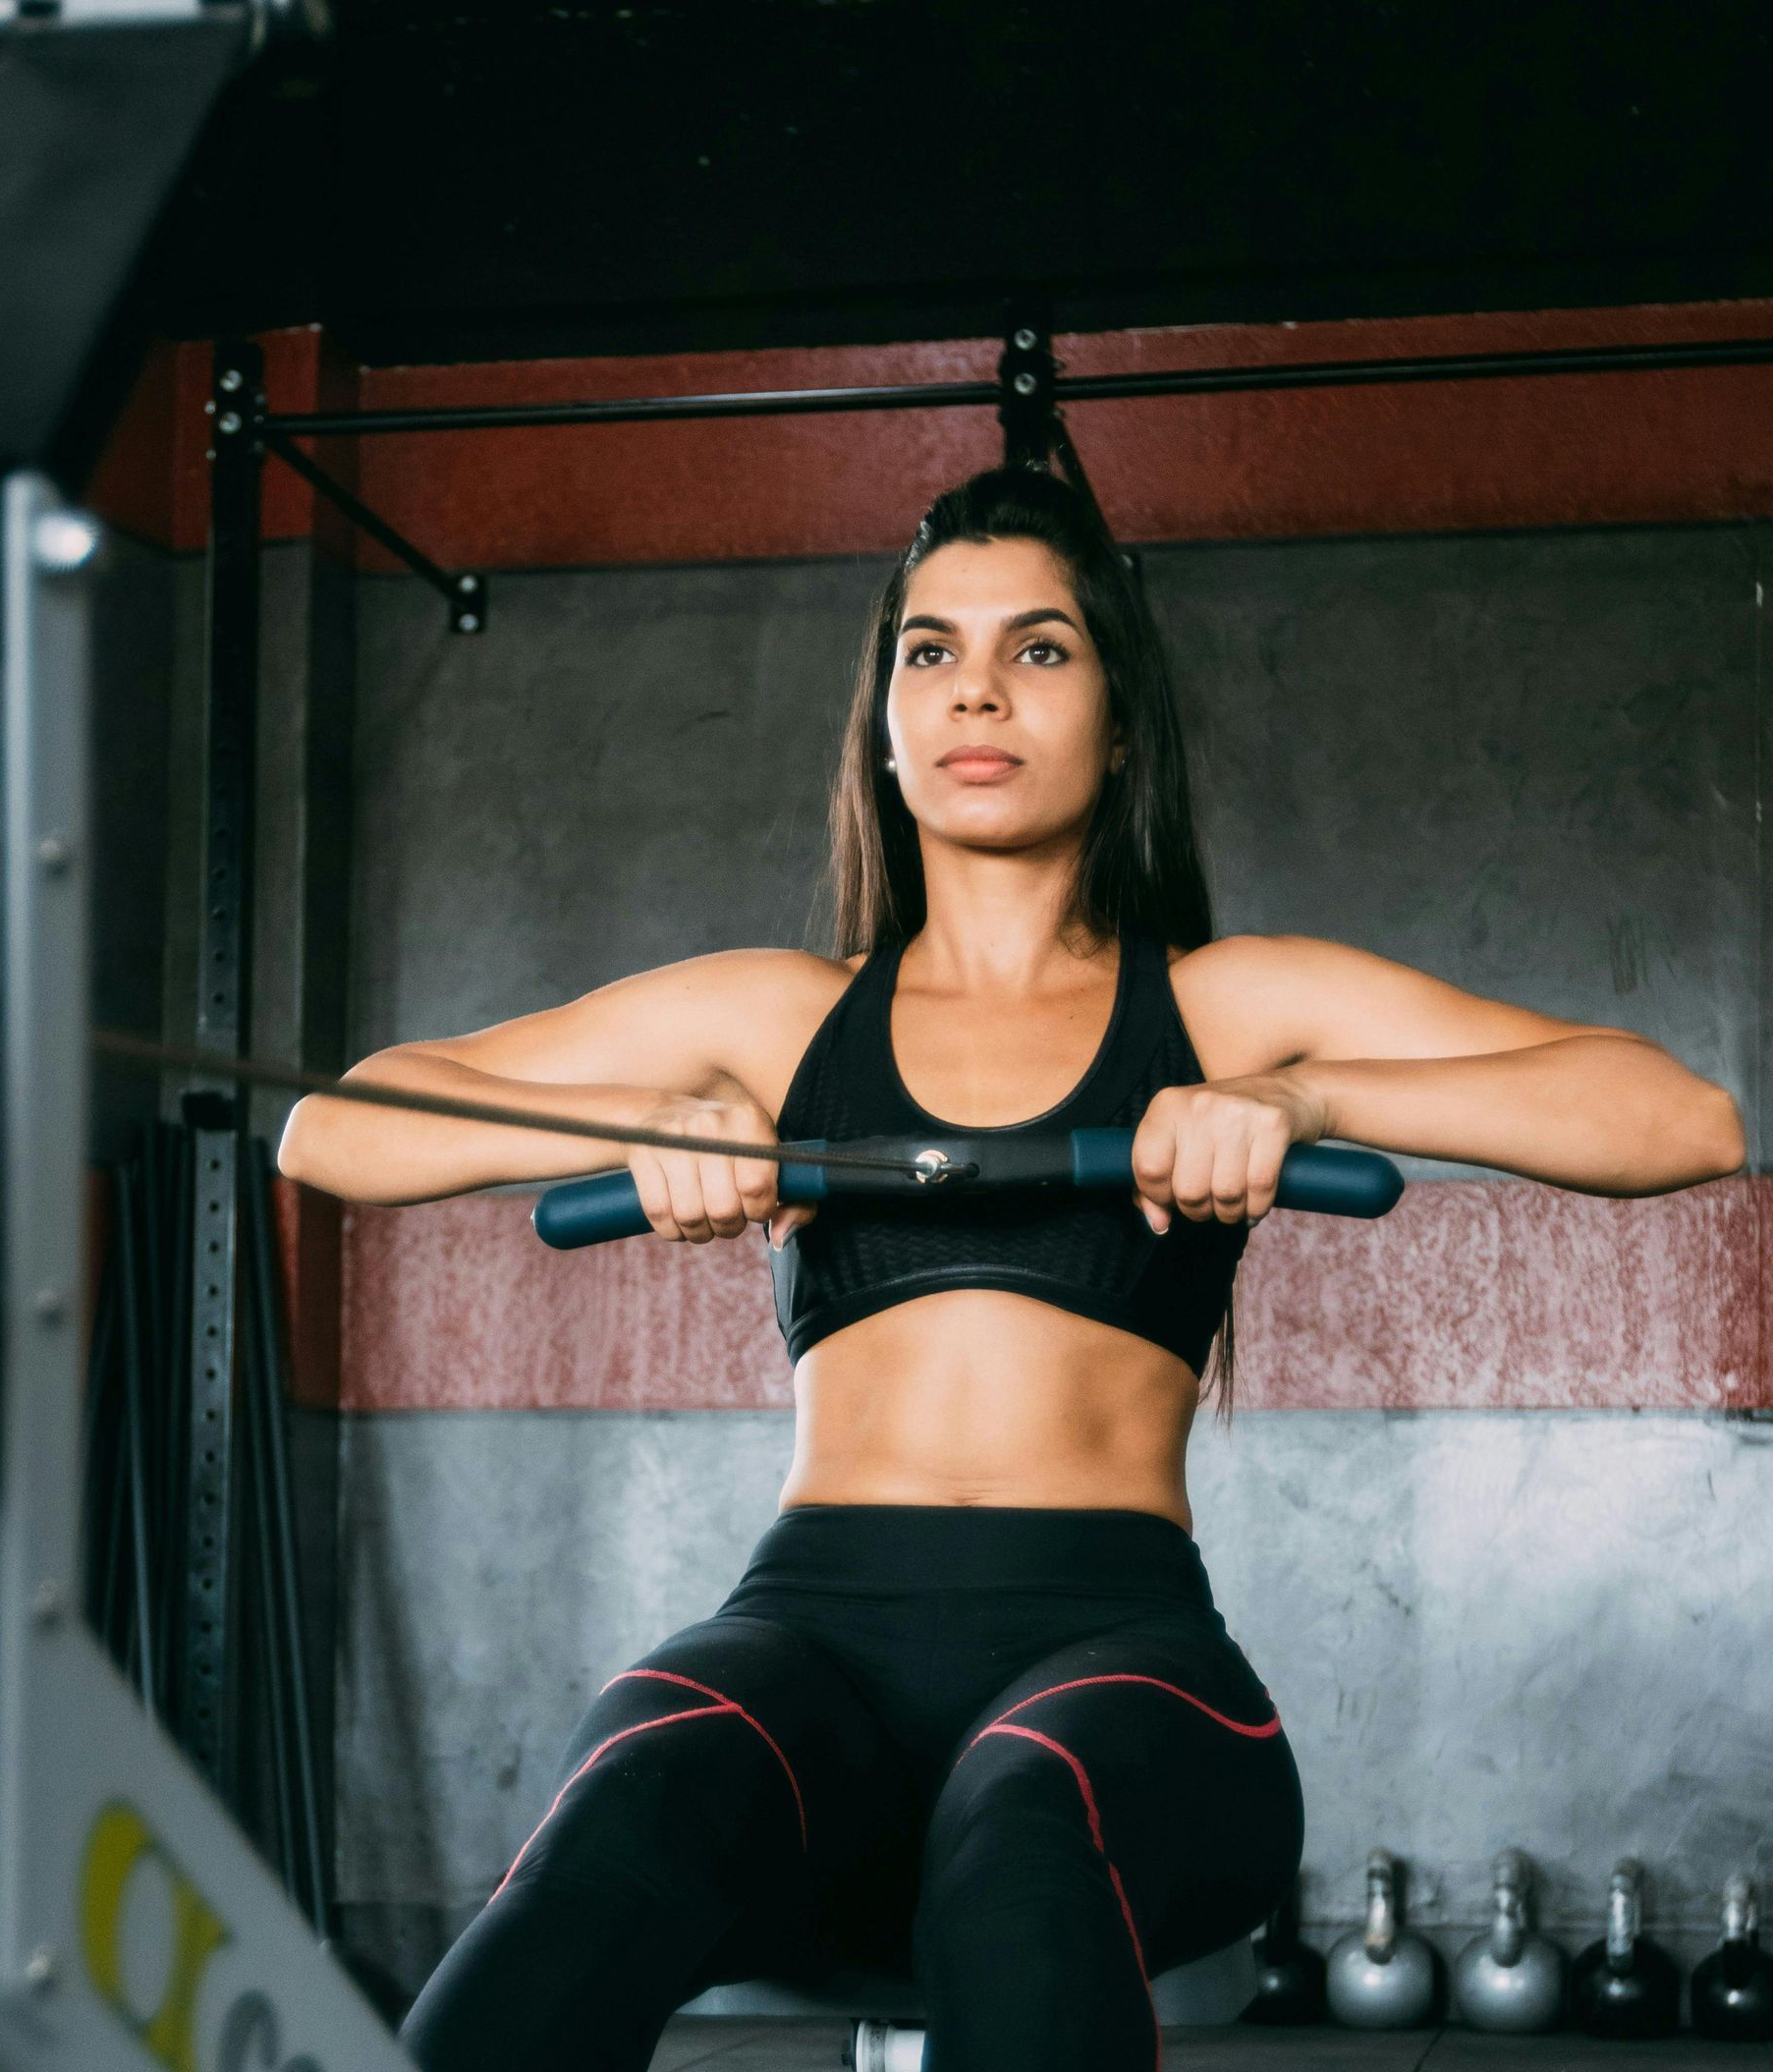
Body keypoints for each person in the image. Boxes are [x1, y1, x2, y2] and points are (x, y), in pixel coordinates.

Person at [277, 467, 1744, 2071]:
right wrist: (643, 1117)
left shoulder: (1224, 1008)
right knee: (623, 1814)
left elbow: (1679, 1115)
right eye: (930, 651)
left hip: (1115, 1665)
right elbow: (333, 1130)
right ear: (886, 730)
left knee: (1026, 1843)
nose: (975, 684)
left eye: (1039, 649)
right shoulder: (777, 1020)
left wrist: (1304, 1099)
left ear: (1119, 724)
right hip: (806, 1643)